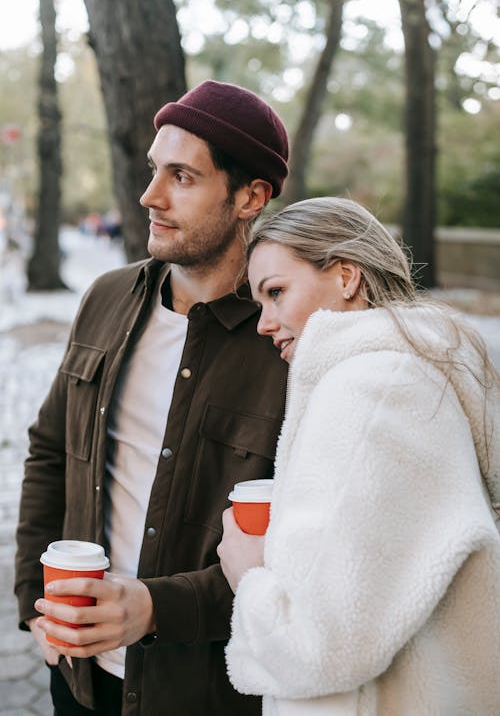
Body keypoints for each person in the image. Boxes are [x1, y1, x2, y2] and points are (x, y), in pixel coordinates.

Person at [14, 80, 290, 716]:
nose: (150, 197)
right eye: (153, 170)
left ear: (250, 197)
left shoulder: (287, 339)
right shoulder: (106, 298)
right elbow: (50, 450)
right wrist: (34, 598)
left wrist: (156, 608)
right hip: (79, 675)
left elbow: (313, 547)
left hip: (208, 691)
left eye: (182, 177)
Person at [217, 196, 500, 716]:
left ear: (347, 277)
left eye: (276, 293)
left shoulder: (370, 390)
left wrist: (250, 574)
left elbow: (321, 645)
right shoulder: (408, 373)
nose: (264, 323)